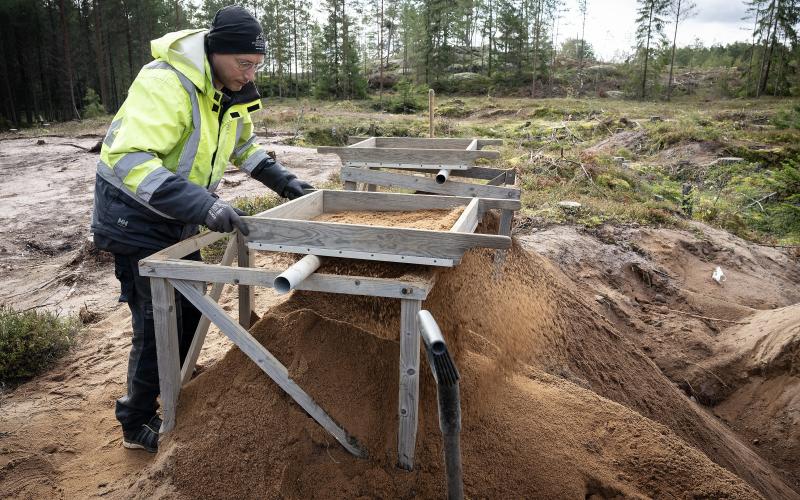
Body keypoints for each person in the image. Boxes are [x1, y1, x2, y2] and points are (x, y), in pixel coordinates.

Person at [90, 5, 312, 453]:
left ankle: (178, 378)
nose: (250, 75)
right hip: (133, 216)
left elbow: (244, 146)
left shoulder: (229, 90)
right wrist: (205, 205)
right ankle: (135, 421)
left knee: (189, 309)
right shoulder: (164, 83)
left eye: (257, 66)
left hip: (176, 215)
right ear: (215, 51)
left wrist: (288, 184)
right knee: (156, 323)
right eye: (243, 64)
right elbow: (129, 158)